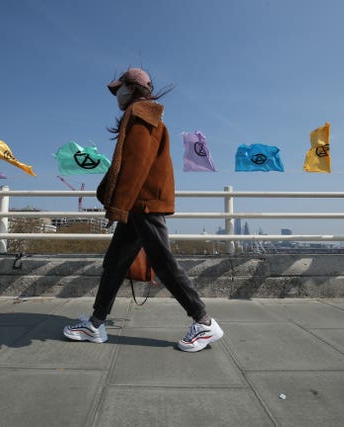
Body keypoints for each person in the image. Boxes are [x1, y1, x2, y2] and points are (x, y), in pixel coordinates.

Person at [63, 68, 224, 352]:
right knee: (115, 262)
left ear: (132, 88)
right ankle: (96, 323)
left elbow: (135, 166)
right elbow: (126, 166)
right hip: (138, 203)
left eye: (120, 88)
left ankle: (205, 323)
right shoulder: (144, 114)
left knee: (163, 263)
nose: (117, 94)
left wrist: (118, 207)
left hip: (143, 203)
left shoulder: (141, 115)